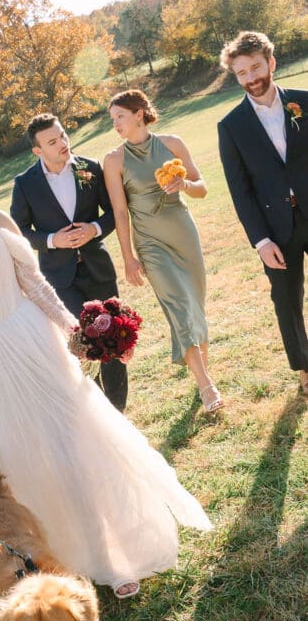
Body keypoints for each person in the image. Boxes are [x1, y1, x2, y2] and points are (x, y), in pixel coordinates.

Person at [0, 142, 213, 600]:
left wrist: (78, 331)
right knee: (4, 465)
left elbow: (37, 287)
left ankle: (110, 556)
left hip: (30, 344)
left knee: (69, 446)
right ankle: (33, 567)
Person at [103, 90, 224, 413]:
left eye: (120, 117)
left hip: (184, 235)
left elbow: (202, 187)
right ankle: (205, 385)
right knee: (179, 306)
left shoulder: (172, 143)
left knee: (194, 304)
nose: (115, 124)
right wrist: (128, 257)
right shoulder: (114, 160)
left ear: (140, 113)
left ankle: (203, 371)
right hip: (151, 244)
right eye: (113, 119)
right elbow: (119, 212)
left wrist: (184, 185)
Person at [10, 113, 128, 411]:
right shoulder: (25, 184)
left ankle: (119, 412)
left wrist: (95, 229)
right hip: (59, 279)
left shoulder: (90, 168)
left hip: (98, 270)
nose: (63, 143)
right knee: (82, 345)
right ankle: (96, 410)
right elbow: (18, 231)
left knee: (113, 341)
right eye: (53, 141)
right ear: (38, 151)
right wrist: (52, 240)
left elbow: (113, 212)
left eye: (62, 135)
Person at [218, 31, 308, 396]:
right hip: (275, 227)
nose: (251, 77)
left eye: (256, 67)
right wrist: (260, 240)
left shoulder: (304, 101)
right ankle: (304, 368)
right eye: (241, 72)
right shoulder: (230, 126)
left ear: (270, 63)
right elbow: (240, 191)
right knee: (286, 299)